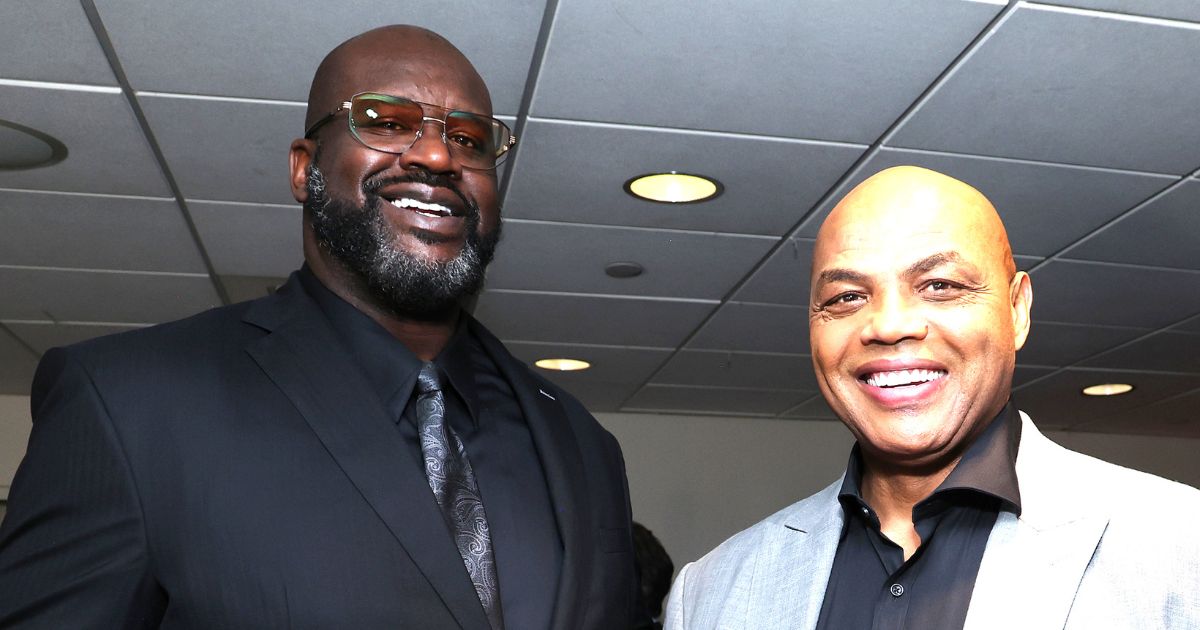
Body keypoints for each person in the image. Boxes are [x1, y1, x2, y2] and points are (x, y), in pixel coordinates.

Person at [0, 25, 636, 629]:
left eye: (469, 139)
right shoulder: (129, 404)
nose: (440, 155)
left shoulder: (580, 442)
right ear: (305, 168)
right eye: (388, 123)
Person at [664, 166, 1200, 629]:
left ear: (1017, 311)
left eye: (940, 286)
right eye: (847, 296)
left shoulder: (1181, 547)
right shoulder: (710, 592)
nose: (890, 324)